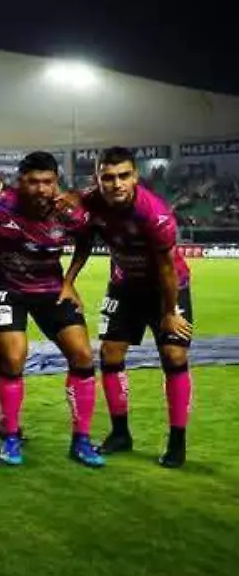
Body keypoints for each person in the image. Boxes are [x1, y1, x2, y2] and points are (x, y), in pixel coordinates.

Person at [66, 146, 193, 468]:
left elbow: (167, 269)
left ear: (135, 176)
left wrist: (169, 312)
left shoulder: (154, 214)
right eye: (108, 177)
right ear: (98, 179)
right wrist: (69, 280)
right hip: (124, 286)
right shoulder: (92, 201)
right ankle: (120, 433)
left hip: (166, 288)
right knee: (110, 353)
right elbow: (83, 237)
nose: (116, 184)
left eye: (123, 176)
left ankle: (177, 442)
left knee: (174, 355)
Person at [0, 152, 104, 466]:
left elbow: (86, 238)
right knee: (13, 356)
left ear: (56, 182)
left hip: (51, 289)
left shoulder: (69, 213)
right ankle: (10, 434)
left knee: (83, 355)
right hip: (9, 290)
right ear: (20, 182)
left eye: (47, 182)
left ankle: (82, 440)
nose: (41, 189)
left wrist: (70, 281)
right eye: (33, 182)